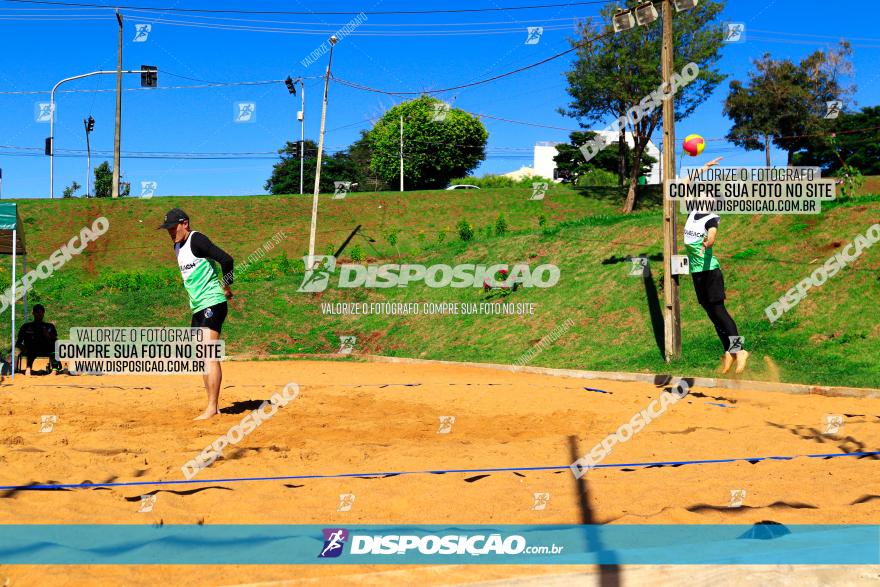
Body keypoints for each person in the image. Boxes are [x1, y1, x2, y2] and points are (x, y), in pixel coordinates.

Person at [158, 208, 234, 420]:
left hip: (213, 303)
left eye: (173, 228)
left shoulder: (196, 239)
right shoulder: (177, 246)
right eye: (167, 229)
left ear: (185, 223)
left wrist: (226, 287)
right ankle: (213, 407)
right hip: (198, 307)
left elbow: (227, 260)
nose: (171, 232)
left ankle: (212, 407)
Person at [682, 158, 748, 374]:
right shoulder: (692, 213)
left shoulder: (711, 218)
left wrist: (709, 241)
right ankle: (728, 352)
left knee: (720, 312)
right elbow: (684, 184)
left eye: (707, 194)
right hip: (697, 273)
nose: (702, 194)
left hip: (710, 272)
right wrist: (705, 168)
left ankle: (740, 351)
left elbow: (712, 235)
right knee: (711, 314)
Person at [16, 304, 63, 376]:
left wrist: (48, 335)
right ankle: (28, 368)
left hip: (46, 348)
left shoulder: (49, 326)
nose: (39, 314)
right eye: (37, 312)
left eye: (41, 312)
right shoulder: (26, 326)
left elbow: (55, 341)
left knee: (54, 346)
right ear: (33, 313)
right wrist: (24, 349)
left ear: (43, 313)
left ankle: (54, 370)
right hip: (31, 349)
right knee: (30, 346)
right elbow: (18, 343)